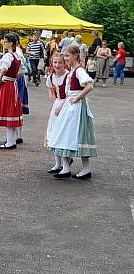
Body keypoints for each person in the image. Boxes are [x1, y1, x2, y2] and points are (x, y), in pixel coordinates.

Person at [48, 44, 97, 180]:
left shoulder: (79, 71)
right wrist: (62, 105)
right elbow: (69, 93)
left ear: (75, 56)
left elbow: (90, 85)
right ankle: (66, 168)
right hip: (69, 106)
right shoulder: (73, 71)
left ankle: (85, 169)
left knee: (78, 136)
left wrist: (78, 97)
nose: (65, 58)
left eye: (67, 56)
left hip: (76, 108)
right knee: (63, 134)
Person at [0, 34, 23, 150]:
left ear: (11, 43)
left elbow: (5, 68)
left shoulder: (8, 55)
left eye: (5, 41)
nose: (4, 43)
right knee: (11, 112)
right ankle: (11, 140)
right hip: (13, 84)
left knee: (8, 112)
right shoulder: (17, 56)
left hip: (7, 85)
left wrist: (0, 78)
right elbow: (20, 71)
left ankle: (10, 142)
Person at [44, 53, 69, 174]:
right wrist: (54, 99)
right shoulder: (51, 77)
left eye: (60, 62)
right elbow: (50, 92)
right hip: (57, 105)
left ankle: (65, 164)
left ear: (64, 63)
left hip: (67, 106)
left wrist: (60, 104)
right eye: (55, 62)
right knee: (53, 132)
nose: (57, 65)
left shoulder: (68, 76)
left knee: (63, 134)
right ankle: (57, 164)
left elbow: (70, 94)